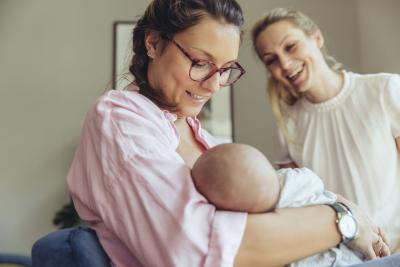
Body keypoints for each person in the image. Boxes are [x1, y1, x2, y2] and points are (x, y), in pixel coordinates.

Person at [66, 1, 399, 266]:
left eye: (225, 70)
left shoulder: (205, 140)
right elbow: (195, 251)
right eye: (200, 62)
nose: (213, 85)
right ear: (153, 43)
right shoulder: (121, 119)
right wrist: (343, 219)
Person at [251, 7, 400, 253]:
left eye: (290, 46)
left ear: (317, 38)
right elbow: (298, 207)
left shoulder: (385, 90)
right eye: (271, 59)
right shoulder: (287, 125)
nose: (285, 64)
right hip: (339, 258)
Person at [192, 143, 390, 266]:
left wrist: (363, 224)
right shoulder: (244, 228)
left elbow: (335, 199)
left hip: (354, 246)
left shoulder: (293, 182)